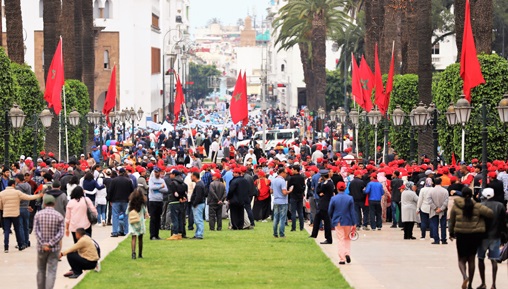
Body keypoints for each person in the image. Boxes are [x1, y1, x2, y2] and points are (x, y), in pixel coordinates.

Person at [449, 187, 493, 289]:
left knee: (461, 259)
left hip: (461, 234)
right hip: (474, 235)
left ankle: (464, 276)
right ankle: (470, 285)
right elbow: (490, 213)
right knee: (471, 259)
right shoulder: (477, 206)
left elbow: (452, 220)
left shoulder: (456, 206)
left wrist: (451, 232)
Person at [476, 188, 507, 289]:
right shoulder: (500, 205)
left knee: (481, 259)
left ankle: (483, 282)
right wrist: (504, 236)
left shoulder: (480, 206)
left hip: (482, 236)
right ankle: (493, 284)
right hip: (495, 236)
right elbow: (503, 222)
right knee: (494, 260)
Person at [0, 179, 42, 252]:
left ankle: (6, 247)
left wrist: (4, 208)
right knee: (17, 230)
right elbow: (28, 197)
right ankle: (20, 245)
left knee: (6, 230)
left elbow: (0, 205)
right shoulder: (17, 192)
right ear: (13, 185)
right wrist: (39, 195)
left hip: (6, 214)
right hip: (15, 214)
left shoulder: (2, 193)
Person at [34, 194, 65, 289]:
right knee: (52, 270)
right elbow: (61, 233)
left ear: (44, 203)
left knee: (41, 270)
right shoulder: (59, 216)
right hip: (54, 248)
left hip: (41, 248)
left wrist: (43, 243)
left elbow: (36, 231)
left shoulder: (38, 215)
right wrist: (51, 244)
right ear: (54, 203)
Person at [328, 181, 356, 265]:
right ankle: (347, 253)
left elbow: (330, 211)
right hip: (348, 220)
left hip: (338, 221)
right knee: (347, 238)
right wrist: (354, 223)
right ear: (345, 188)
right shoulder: (350, 198)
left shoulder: (334, 198)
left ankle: (342, 258)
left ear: (337, 188)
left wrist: (332, 218)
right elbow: (352, 211)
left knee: (340, 239)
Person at [107, 168, 134, 237]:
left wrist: (109, 200)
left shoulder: (114, 180)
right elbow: (132, 191)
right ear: (124, 172)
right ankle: (126, 231)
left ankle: (115, 232)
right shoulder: (128, 181)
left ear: (118, 172)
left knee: (115, 216)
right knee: (126, 216)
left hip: (116, 200)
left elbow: (110, 191)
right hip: (125, 200)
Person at [310, 170, 334, 244]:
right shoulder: (330, 183)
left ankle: (328, 238)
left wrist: (319, 183)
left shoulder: (326, 184)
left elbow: (318, 191)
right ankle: (314, 234)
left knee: (326, 222)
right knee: (317, 218)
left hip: (324, 205)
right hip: (325, 204)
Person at [147, 167, 167, 240]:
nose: (156, 173)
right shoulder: (151, 180)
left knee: (158, 218)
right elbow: (152, 187)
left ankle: (157, 234)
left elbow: (166, 189)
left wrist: (158, 188)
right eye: (155, 172)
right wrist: (160, 187)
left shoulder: (162, 180)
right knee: (153, 218)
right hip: (153, 200)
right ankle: (152, 235)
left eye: (157, 172)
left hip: (160, 200)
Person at [428, 177, 449, 244]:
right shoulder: (445, 191)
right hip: (442, 211)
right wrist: (441, 208)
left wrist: (435, 208)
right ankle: (443, 239)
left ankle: (436, 239)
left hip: (434, 211)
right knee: (443, 225)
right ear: (441, 182)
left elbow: (429, 200)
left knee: (434, 225)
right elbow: (446, 200)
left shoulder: (431, 191)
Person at [128, 189, 148, 259]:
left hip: (133, 222)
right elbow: (145, 212)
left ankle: (133, 253)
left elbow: (127, 212)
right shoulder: (142, 204)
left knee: (133, 237)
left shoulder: (130, 203)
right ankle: (140, 254)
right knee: (140, 238)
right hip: (140, 222)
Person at [272, 168, 291, 238]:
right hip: (283, 201)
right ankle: (281, 234)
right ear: (282, 173)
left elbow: (271, 191)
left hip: (276, 200)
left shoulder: (273, 180)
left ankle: (275, 233)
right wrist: (289, 191)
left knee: (275, 217)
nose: (286, 174)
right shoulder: (282, 181)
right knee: (282, 218)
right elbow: (284, 192)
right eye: (285, 173)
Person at [288, 165, 305, 231]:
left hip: (293, 196)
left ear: (296, 170)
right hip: (300, 196)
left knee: (293, 212)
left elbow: (289, 186)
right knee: (300, 212)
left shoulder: (292, 178)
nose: (292, 171)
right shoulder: (302, 177)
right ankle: (301, 227)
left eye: (292, 169)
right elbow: (303, 186)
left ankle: (293, 227)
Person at [190, 172, 206, 239]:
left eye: (192, 176)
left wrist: (194, 203)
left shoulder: (199, 185)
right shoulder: (200, 184)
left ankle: (199, 234)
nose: (191, 178)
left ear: (194, 176)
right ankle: (197, 234)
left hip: (198, 205)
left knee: (198, 220)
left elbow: (198, 196)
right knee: (197, 220)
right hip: (200, 204)